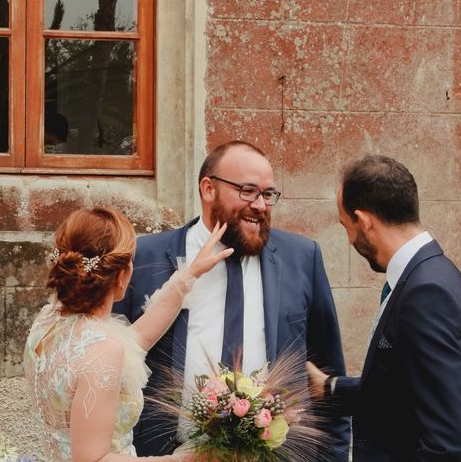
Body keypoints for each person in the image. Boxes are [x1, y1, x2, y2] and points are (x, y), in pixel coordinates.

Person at [115, 141, 350, 461]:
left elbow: (327, 372)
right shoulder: (146, 257)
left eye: (268, 194)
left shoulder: (302, 258)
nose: (261, 205)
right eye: (248, 191)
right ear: (208, 189)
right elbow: (112, 367)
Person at [307, 155, 461, 461]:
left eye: (346, 225)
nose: (349, 238)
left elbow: (449, 446)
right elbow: (404, 393)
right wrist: (330, 388)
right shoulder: (435, 274)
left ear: (364, 221)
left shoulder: (426, 294)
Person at [23, 207, 233, 462]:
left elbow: (136, 339)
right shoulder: (102, 349)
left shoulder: (48, 322)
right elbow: (93, 460)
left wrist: (190, 274)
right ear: (121, 276)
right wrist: (184, 459)